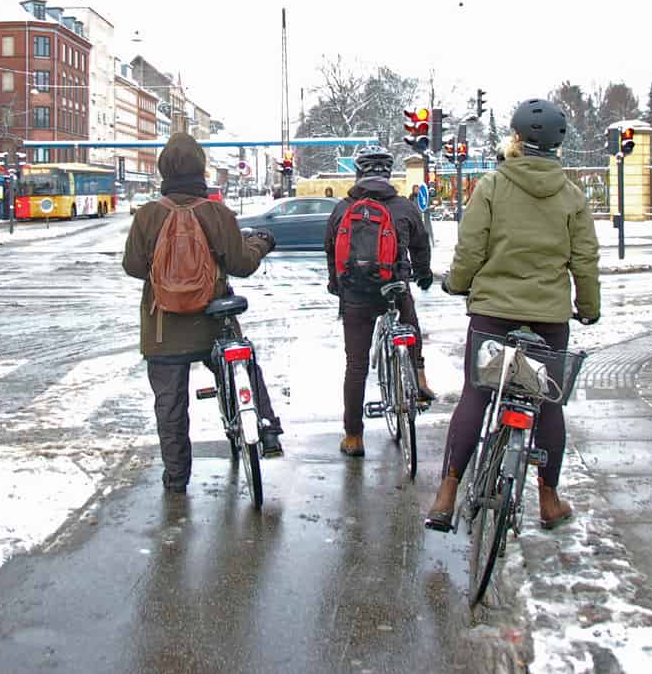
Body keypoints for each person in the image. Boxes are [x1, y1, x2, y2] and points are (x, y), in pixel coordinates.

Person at [425, 99, 600, 532]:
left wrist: (457, 283)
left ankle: (446, 494)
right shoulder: (572, 196)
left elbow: (471, 250)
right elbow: (585, 260)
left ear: (517, 139)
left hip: (493, 314)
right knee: (548, 402)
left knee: (477, 393)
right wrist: (588, 308)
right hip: (548, 319)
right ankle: (548, 499)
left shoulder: (492, 185)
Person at [123, 133, 285, 495]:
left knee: (171, 406)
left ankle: (177, 479)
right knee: (242, 366)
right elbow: (241, 264)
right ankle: (266, 428)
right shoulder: (215, 212)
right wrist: (259, 243)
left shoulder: (148, 215)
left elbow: (133, 266)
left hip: (163, 329)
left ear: (164, 170)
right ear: (200, 169)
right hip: (214, 324)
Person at [324, 146, 434, 458]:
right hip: (394, 288)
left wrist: (336, 285)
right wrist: (422, 274)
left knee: (356, 365)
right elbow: (421, 245)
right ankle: (416, 374)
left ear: (358, 174)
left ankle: (354, 437)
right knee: (409, 323)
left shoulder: (342, 208)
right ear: (388, 174)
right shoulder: (404, 207)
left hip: (356, 296)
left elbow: (331, 250)